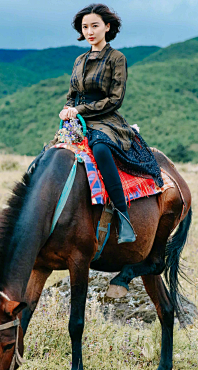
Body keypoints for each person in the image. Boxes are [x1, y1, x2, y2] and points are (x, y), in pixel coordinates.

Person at [59, 3, 164, 244]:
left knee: (101, 150)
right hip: (76, 120)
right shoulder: (79, 59)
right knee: (51, 155)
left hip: (106, 119)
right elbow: (71, 94)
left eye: (94, 25)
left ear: (107, 27)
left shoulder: (117, 58)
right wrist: (67, 109)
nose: (89, 31)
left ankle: (122, 217)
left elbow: (115, 99)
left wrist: (79, 110)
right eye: (85, 27)